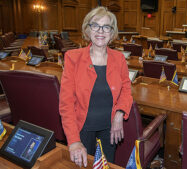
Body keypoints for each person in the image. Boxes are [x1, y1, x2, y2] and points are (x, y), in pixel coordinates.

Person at [59, 6, 133, 168]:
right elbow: (66, 104)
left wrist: (120, 114)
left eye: (106, 27)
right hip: (81, 130)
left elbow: (126, 90)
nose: (101, 31)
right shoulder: (73, 58)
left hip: (110, 130)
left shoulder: (119, 58)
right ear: (87, 29)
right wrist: (74, 141)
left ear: (112, 33)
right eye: (95, 25)